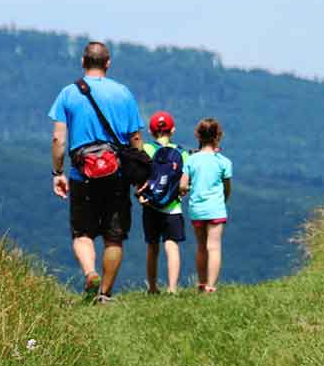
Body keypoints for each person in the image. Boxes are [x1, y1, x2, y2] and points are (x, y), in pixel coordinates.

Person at [49, 41, 144, 304]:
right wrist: (140, 174)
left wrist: (58, 172)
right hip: (117, 176)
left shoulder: (68, 94)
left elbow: (59, 140)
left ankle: (90, 272)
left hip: (82, 176)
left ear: (82, 62)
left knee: (82, 234)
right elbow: (135, 138)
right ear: (108, 63)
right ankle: (104, 293)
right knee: (114, 237)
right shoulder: (123, 93)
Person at [180, 117, 232, 294]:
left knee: (201, 246)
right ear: (218, 136)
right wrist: (223, 200)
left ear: (197, 136)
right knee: (214, 246)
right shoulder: (224, 162)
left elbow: (182, 185)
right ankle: (211, 285)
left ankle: (201, 284)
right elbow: (227, 188)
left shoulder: (191, 160)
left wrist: (187, 188)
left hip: (197, 210)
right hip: (216, 208)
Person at [139, 111, 187, 294]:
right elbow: (184, 182)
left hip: (150, 206)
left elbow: (141, 177)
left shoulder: (146, 150)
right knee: (171, 245)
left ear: (151, 132)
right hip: (173, 207)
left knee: (152, 246)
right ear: (172, 130)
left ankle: (152, 287)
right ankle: (172, 288)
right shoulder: (181, 153)